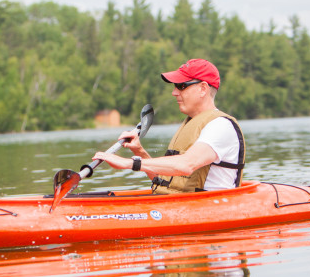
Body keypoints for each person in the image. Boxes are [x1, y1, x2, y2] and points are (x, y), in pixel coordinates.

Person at [93, 58, 245, 193]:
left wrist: (129, 163)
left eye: (181, 86)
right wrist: (139, 151)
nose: (174, 92)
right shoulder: (192, 123)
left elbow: (186, 165)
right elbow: (167, 181)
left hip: (207, 209)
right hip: (181, 204)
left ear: (203, 89)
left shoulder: (220, 126)